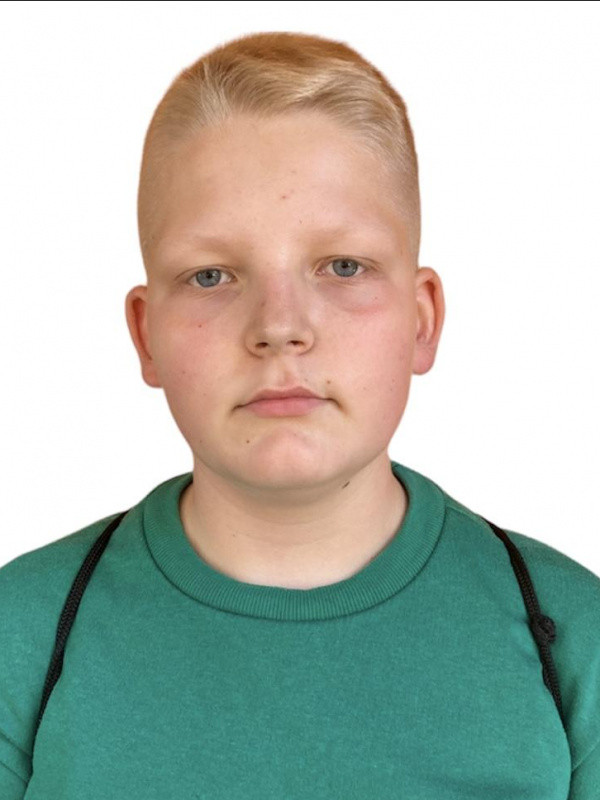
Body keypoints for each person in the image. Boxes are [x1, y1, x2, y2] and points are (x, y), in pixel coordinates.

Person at [1, 30, 598, 800]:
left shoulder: (573, 640)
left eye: (343, 266)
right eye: (211, 275)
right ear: (146, 336)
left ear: (421, 321)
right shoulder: (21, 638)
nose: (280, 326)